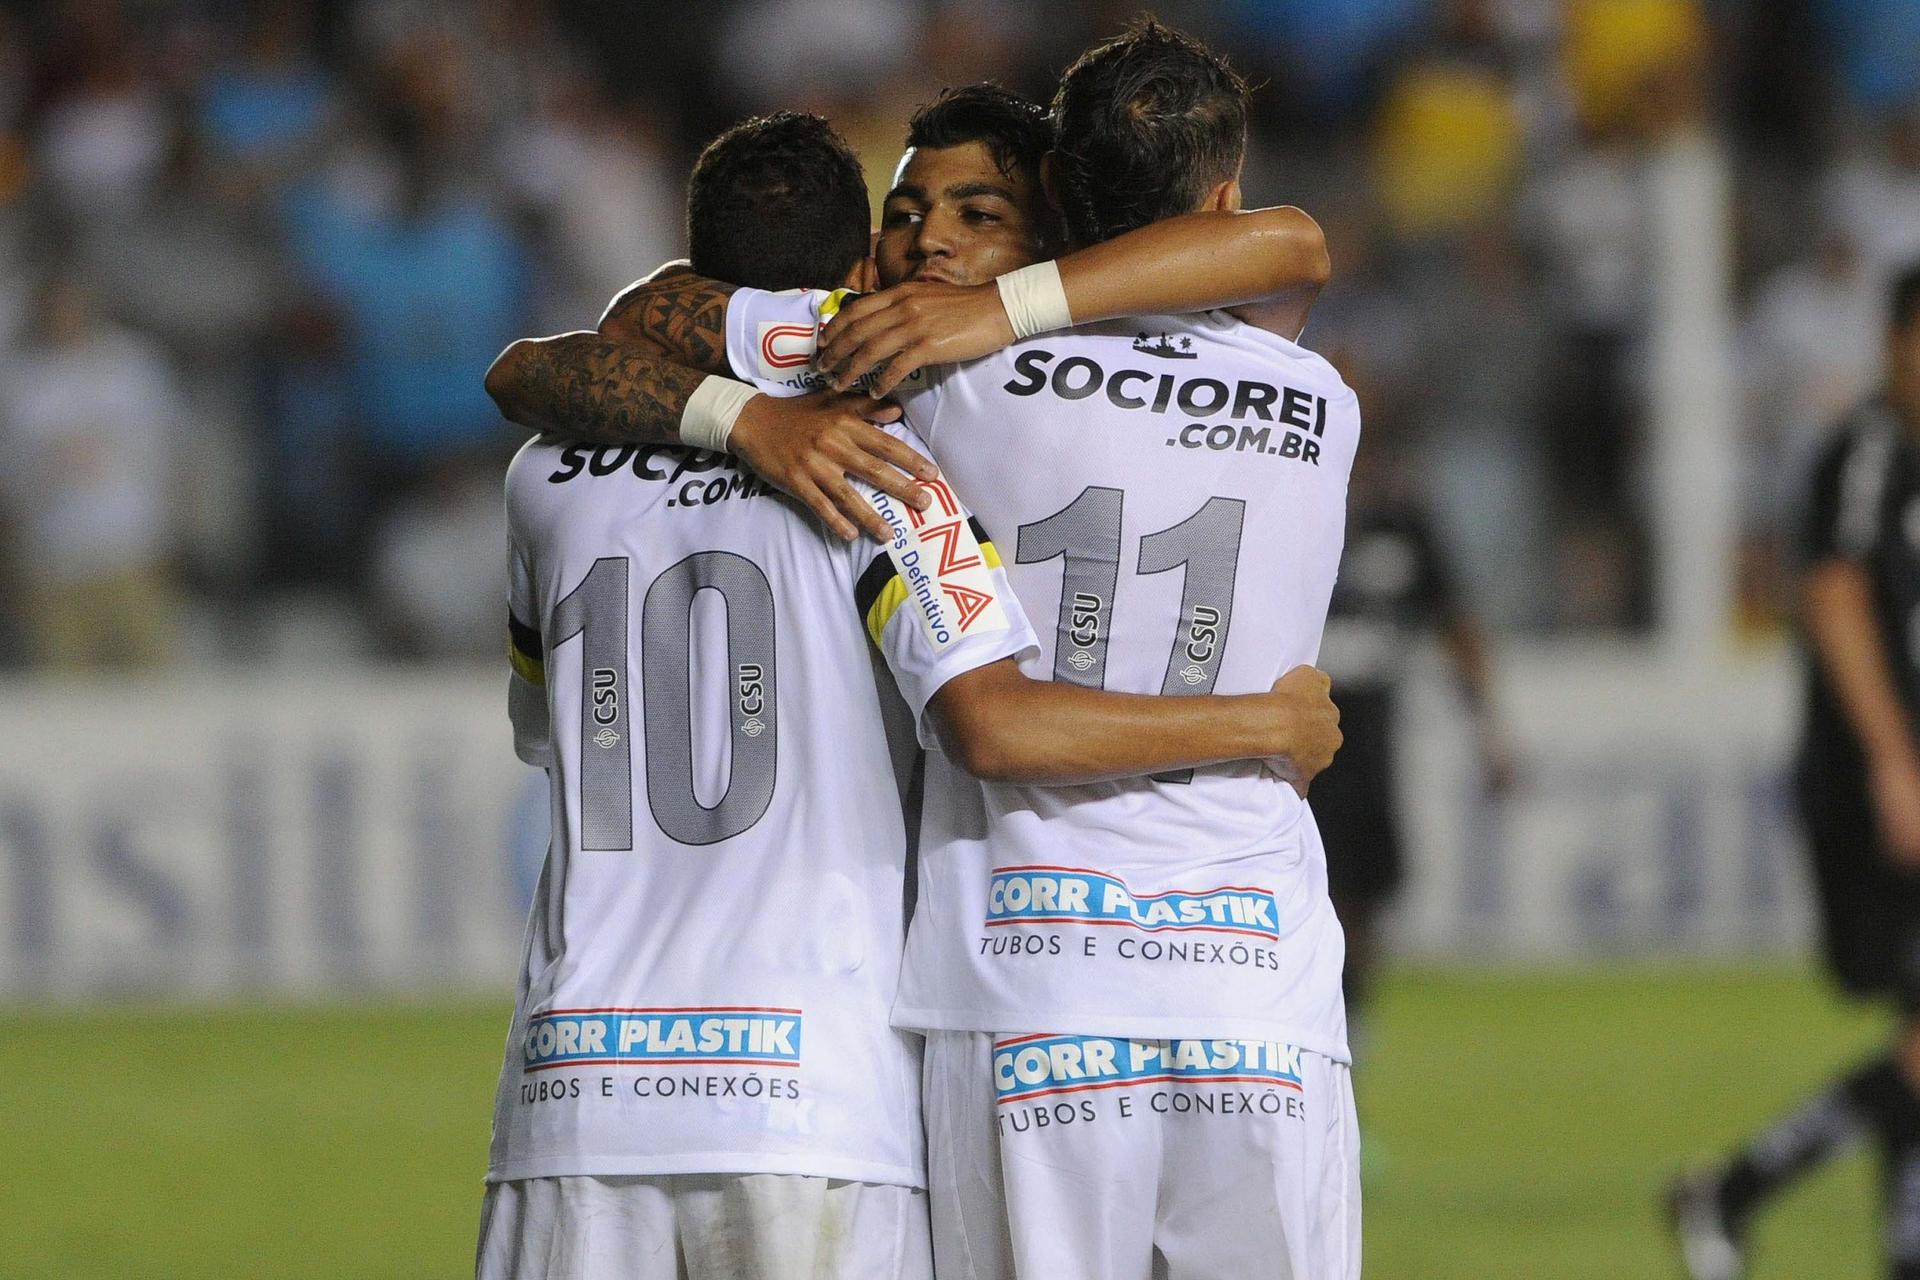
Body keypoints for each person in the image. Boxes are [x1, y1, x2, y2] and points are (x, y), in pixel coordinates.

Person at [495, 24, 1362, 1276]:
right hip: (1252, 976)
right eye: (908, 211)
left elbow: (613, 329)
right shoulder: (1312, 388)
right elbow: (1294, 245)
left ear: (1059, 213)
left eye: (973, 209)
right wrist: (1268, 725)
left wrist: (883, 354)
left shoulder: (919, 370)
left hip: (1019, 984)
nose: (930, 241)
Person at [1670, 263, 1920, 1280]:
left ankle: (1894, 1245)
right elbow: (1834, 597)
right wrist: (1894, 760)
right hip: (1872, 784)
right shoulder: (1867, 450)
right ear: (1898, 342)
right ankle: (1735, 1187)